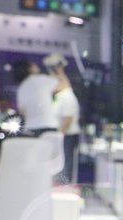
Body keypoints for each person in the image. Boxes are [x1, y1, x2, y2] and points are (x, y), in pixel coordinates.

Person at [46, 53, 81, 184]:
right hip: (62, 135)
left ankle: (65, 188)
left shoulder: (67, 96)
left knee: (65, 167)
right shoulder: (58, 96)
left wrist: (59, 136)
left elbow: (68, 119)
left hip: (67, 136)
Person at [13, 58, 66, 134]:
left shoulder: (21, 88)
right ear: (30, 69)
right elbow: (64, 85)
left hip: (30, 127)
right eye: (33, 65)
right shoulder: (41, 79)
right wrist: (60, 71)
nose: (37, 65)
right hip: (47, 125)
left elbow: (22, 112)